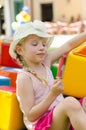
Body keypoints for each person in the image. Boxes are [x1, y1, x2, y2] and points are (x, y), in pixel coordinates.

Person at [9, 20, 86, 130]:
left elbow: (69, 45)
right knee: (70, 102)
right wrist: (53, 94)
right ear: (20, 50)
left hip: (59, 116)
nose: (42, 47)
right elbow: (31, 116)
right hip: (42, 124)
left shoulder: (46, 61)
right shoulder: (24, 77)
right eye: (35, 44)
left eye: (44, 44)